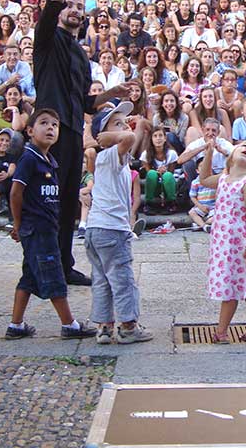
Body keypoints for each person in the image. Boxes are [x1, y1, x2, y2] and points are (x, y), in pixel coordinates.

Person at [33, 0, 135, 286]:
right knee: (47, 202)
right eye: (69, 5)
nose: (74, 10)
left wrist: (110, 95)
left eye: (79, 6)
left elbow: (87, 104)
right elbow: (46, 17)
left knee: (66, 202)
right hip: (51, 130)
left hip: (74, 131)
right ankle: (41, 267)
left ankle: (64, 265)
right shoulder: (48, 41)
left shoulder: (79, 53)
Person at [6, 109, 97, 341]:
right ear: (29, 131)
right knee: (54, 275)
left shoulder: (49, 161)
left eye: (55, 125)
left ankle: (16, 325)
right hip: (37, 228)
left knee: (29, 277)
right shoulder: (28, 158)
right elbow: (16, 193)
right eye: (44, 123)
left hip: (47, 226)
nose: (50, 128)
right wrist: (18, 224)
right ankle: (69, 325)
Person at [83, 105, 154, 344]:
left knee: (102, 279)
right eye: (117, 124)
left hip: (95, 229)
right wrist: (112, 137)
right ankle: (127, 326)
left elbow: (137, 134)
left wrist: (129, 126)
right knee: (122, 279)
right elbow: (130, 137)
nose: (124, 127)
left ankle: (104, 326)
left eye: (124, 122)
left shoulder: (112, 158)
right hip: (112, 230)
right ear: (105, 135)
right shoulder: (111, 154)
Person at [200, 139, 246, 343]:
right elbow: (204, 178)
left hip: (240, 244)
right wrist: (208, 152)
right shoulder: (223, 179)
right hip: (225, 243)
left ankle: (221, 332)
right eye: (244, 147)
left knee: (231, 287)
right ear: (231, 156)